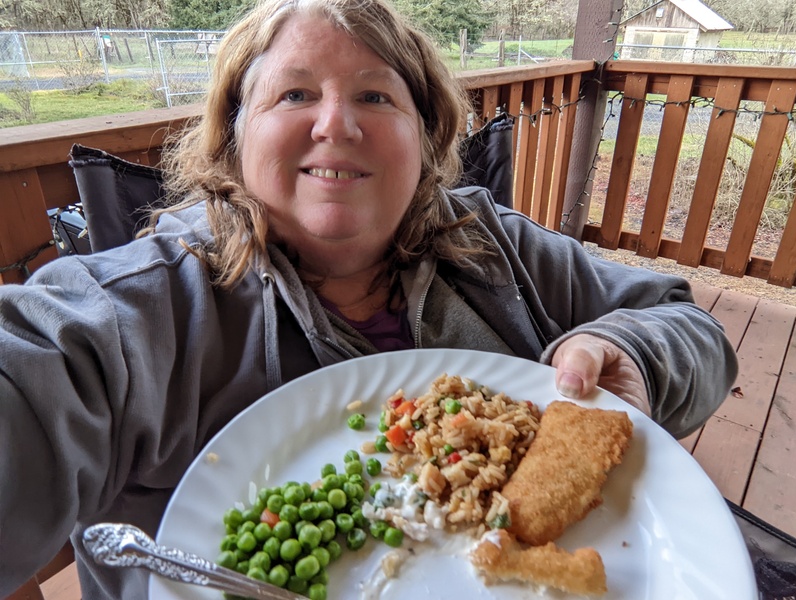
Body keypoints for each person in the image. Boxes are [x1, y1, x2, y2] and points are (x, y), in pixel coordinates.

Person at [0, 0, 737, 596]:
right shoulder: (137, 308)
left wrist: (638, 354)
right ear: (233, 137)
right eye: (293, 93)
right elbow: (30, 376)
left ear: (424, 136)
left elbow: (689, 328)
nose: (337, 124)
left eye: (375, 95)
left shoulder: (497, 242)